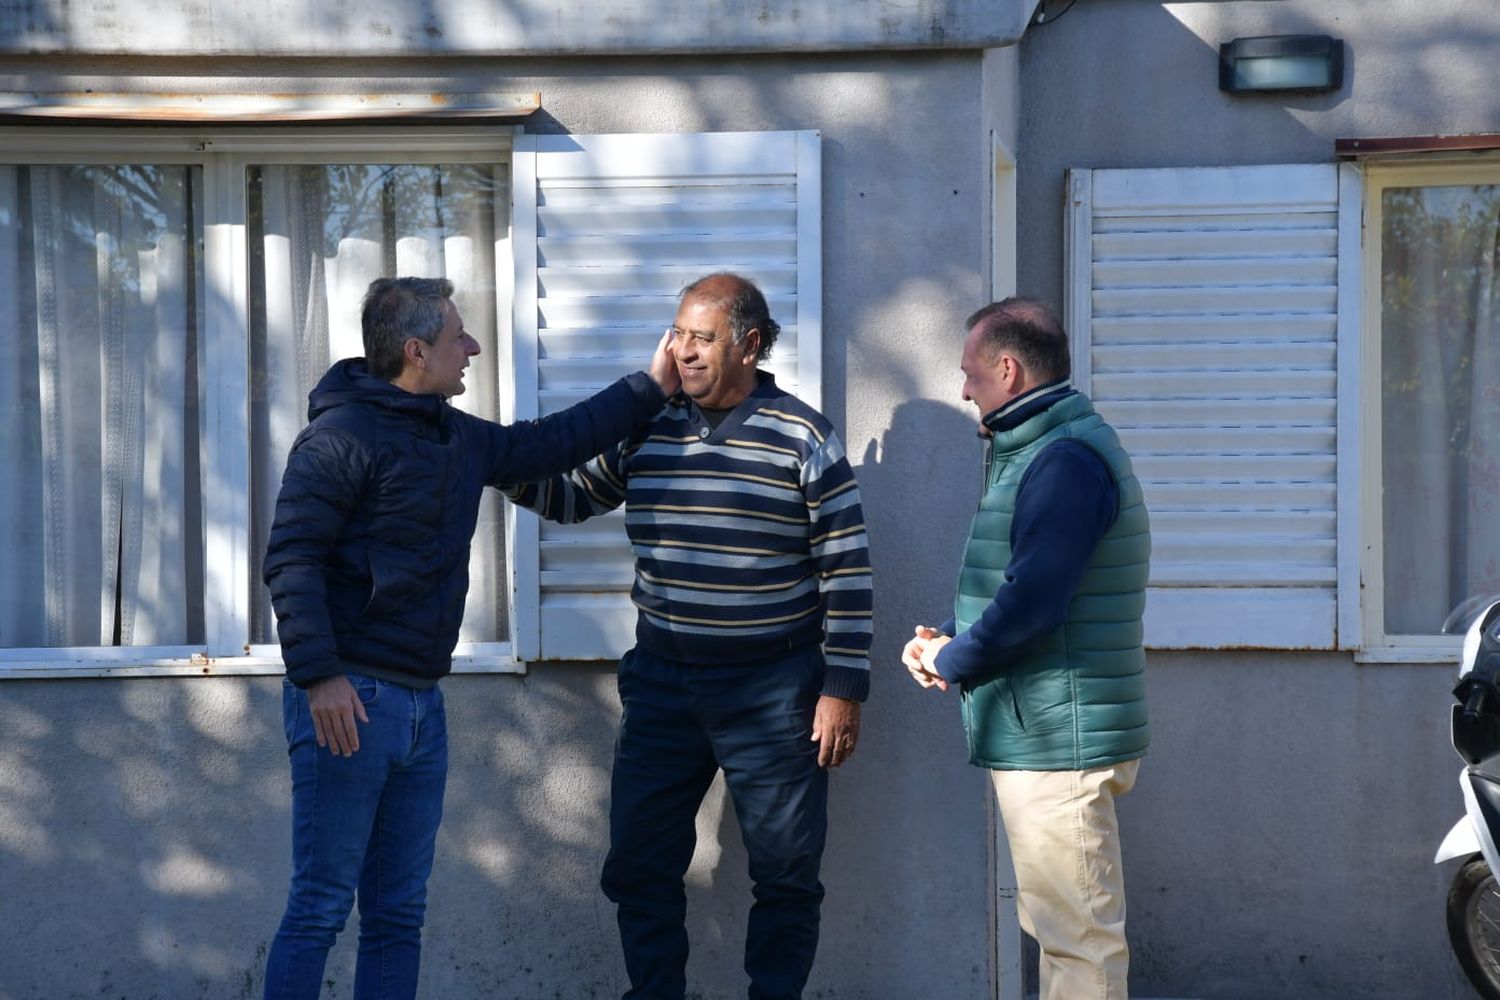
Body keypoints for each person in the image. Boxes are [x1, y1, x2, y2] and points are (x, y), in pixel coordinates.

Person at [261, 276, 680, 1000]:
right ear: (416, 351)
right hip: (348, 703)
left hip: (423, 706)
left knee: (398, 915)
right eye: (460, 336)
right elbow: (291, 558)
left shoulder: (456, 436)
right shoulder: (338, 439)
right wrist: (319, 675)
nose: (474, 348)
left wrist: (648, 387)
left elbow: (550, 445)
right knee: (322, 907)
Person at [505, 273, 872, 1000]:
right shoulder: (648, 426)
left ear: (752, 344)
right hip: (664, 685)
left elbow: (848, 570)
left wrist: (843, 689)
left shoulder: (802, 435)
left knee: (786, 872)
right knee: (639, 866)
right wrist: (494, 462)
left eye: (702, 338)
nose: (684, 351)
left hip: (775, 690)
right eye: (678, 335)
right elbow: (573, 498)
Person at [902, 297, 1150, 1000]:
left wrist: (950, 660)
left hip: (1056, 737)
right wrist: (952, 639)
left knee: (1079, 944)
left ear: (1007, 370)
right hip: (1051, 727)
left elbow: (1033, 606)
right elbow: (1029, 590)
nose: (962, 390)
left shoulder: (1061, 458)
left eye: (970, 374)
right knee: (1064, 931)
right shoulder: (1049, 448)